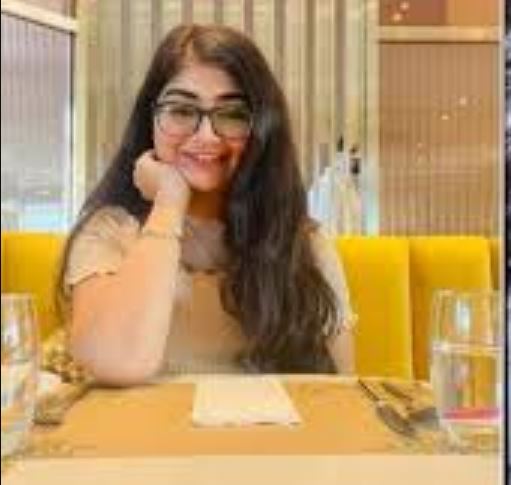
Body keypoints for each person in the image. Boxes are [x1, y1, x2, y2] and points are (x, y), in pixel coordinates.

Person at [57, 24, 356, 385]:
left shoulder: (303, 244)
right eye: (182, 110)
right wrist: (169, 203)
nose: (206, 136)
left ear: (262, 129)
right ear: (150, 118)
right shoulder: (110, 232)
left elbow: (339, 393)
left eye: (232, 114)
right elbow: (118, 361)